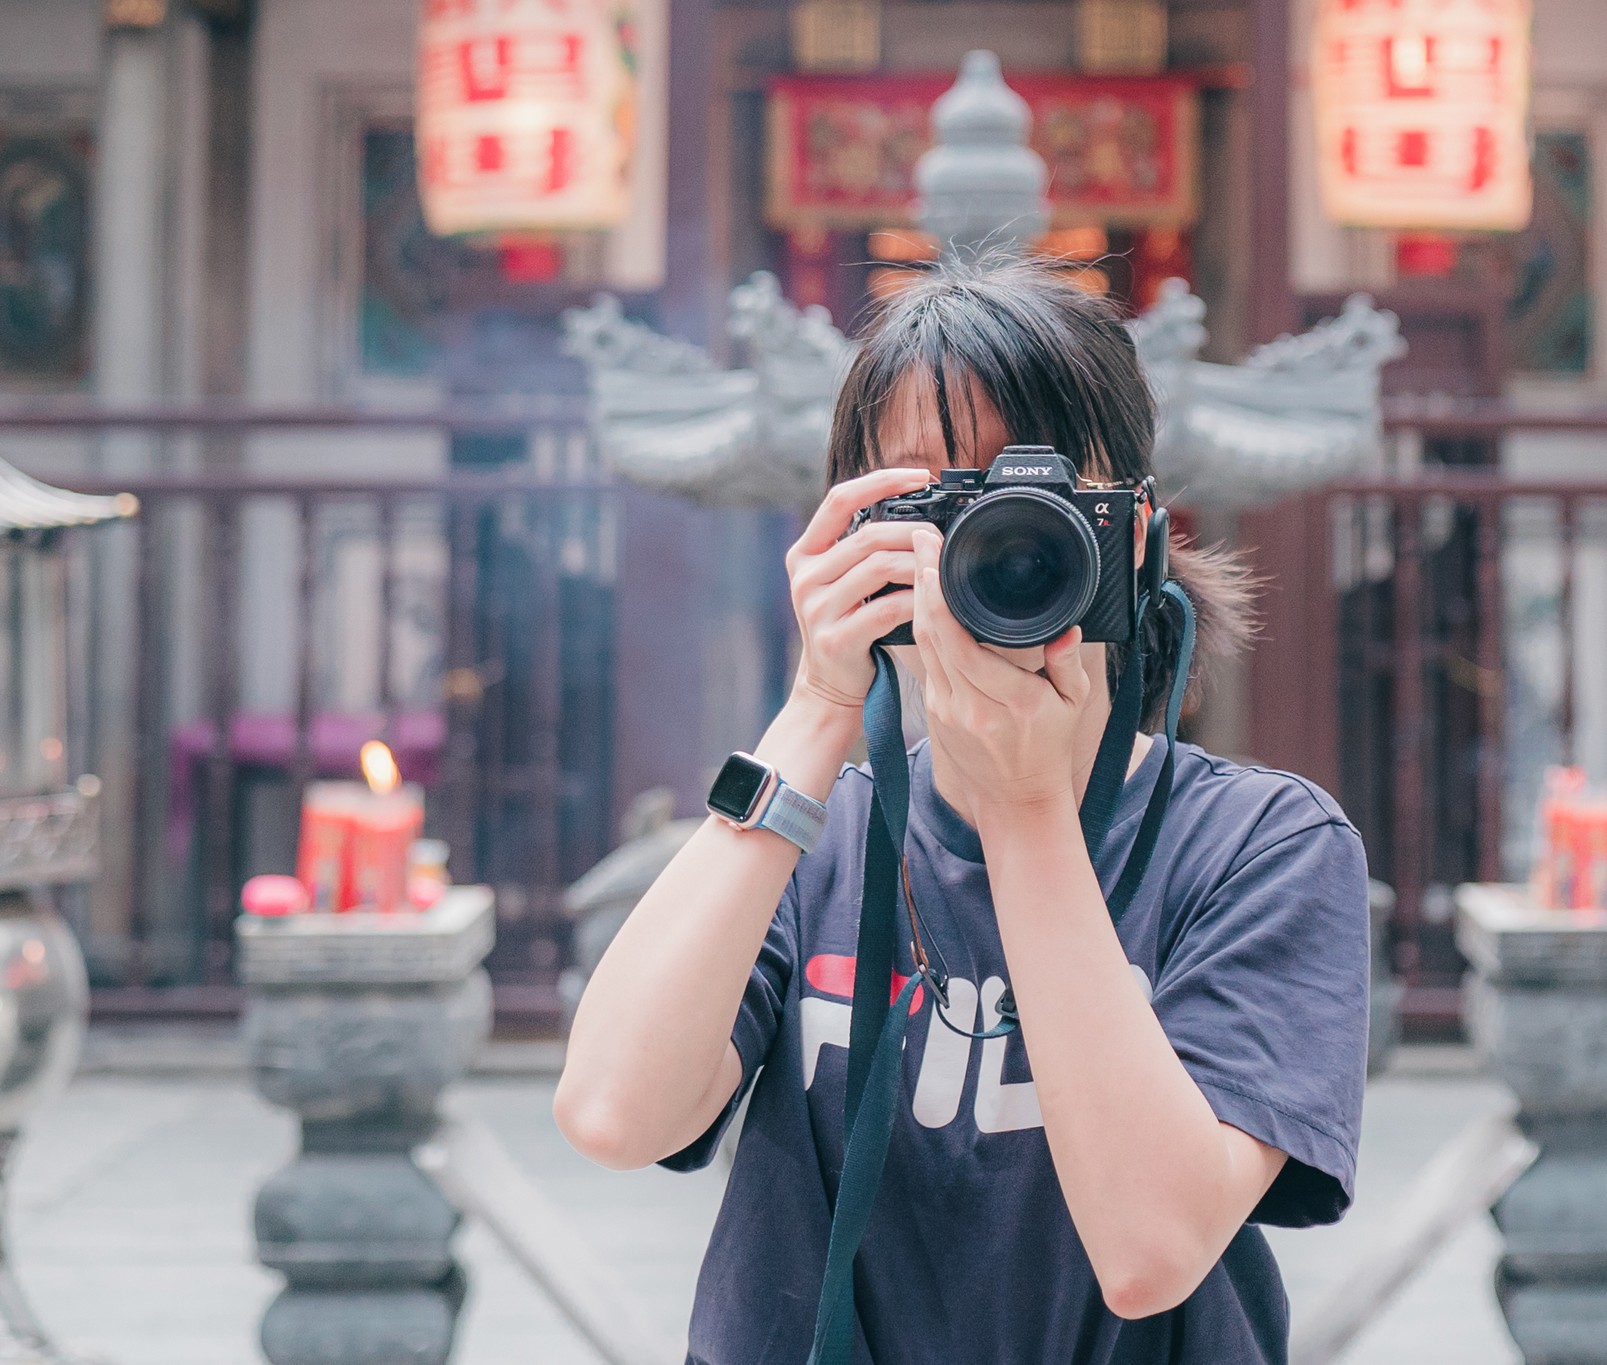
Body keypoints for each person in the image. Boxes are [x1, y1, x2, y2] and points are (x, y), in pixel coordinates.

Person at [555, 255, 1372, 1364]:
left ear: (1128, 534)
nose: (984, 547)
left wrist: (1028, 813)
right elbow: (613, 1114)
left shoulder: (1261, 850)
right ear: (851, 532)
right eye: (925, 503)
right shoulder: (814, 834)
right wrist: (814, 705)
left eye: (1025, 498)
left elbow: (1149, 1250)